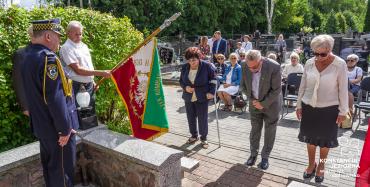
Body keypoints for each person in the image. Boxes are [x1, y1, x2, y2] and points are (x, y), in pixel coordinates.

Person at [21, 18, 79, 187]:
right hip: (57, 131)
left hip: (43, 127)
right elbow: (54, 97)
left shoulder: (27, 56)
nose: (59, 41)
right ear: (48, 36)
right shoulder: (48, 59)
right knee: (62, 174)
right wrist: (64, 129)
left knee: (51, 171)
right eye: (58, 36)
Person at [296, 35, 348, 183]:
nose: (318, 57)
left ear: (330, 50)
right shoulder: (309, 63)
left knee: (325, 141)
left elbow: (343, 89)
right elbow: (303, 86)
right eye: (315, 53)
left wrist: (343, 111)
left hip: (329, 108)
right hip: (309, 107)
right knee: (310, 139)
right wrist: (299, 105)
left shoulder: (340, 64)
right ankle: (312, 164)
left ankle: (322, 167)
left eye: (322, 54)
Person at [240, 50, 281, 170]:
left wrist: (263, 103)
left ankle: (265, 157)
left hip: (271, 105)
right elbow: (243, 85)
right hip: (254, 103)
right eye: (250, 67)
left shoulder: (274, 66)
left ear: (261, 60)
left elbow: (276, 90)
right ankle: (253, 155)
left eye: (255, 66)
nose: (252, 69)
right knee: (255, 130)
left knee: (270, 131)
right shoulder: (244, 65)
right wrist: (252, 99)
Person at [60, 21, 111, 110]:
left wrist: (92, 80)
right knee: (79, 115)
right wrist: (101, 73)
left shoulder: (84, 46)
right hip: (75, 86)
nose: (79, 37)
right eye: (76, 34)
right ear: (68, 33)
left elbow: (87, 65)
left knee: (90, 114)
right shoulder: (66, 48)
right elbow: (78, 70)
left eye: (80, 34)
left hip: (89, 85)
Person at [179, 47, 216, 149]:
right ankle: (194, 135)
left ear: (199, 58)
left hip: (202, 95)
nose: (192, 63)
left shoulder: (207, 66)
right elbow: (181, 81)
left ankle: (203, 138)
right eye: (189, 60)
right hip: (188, 96)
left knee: (202, 118)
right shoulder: (185, 67)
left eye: (194, 60)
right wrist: (185, 87)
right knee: (190, 117)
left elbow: (214, 79)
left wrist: (211, 92)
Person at [12, 26, 34, 116]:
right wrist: (25, 106)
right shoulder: (21, 54)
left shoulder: (49, 53)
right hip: (34, 104)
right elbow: (18, 82)